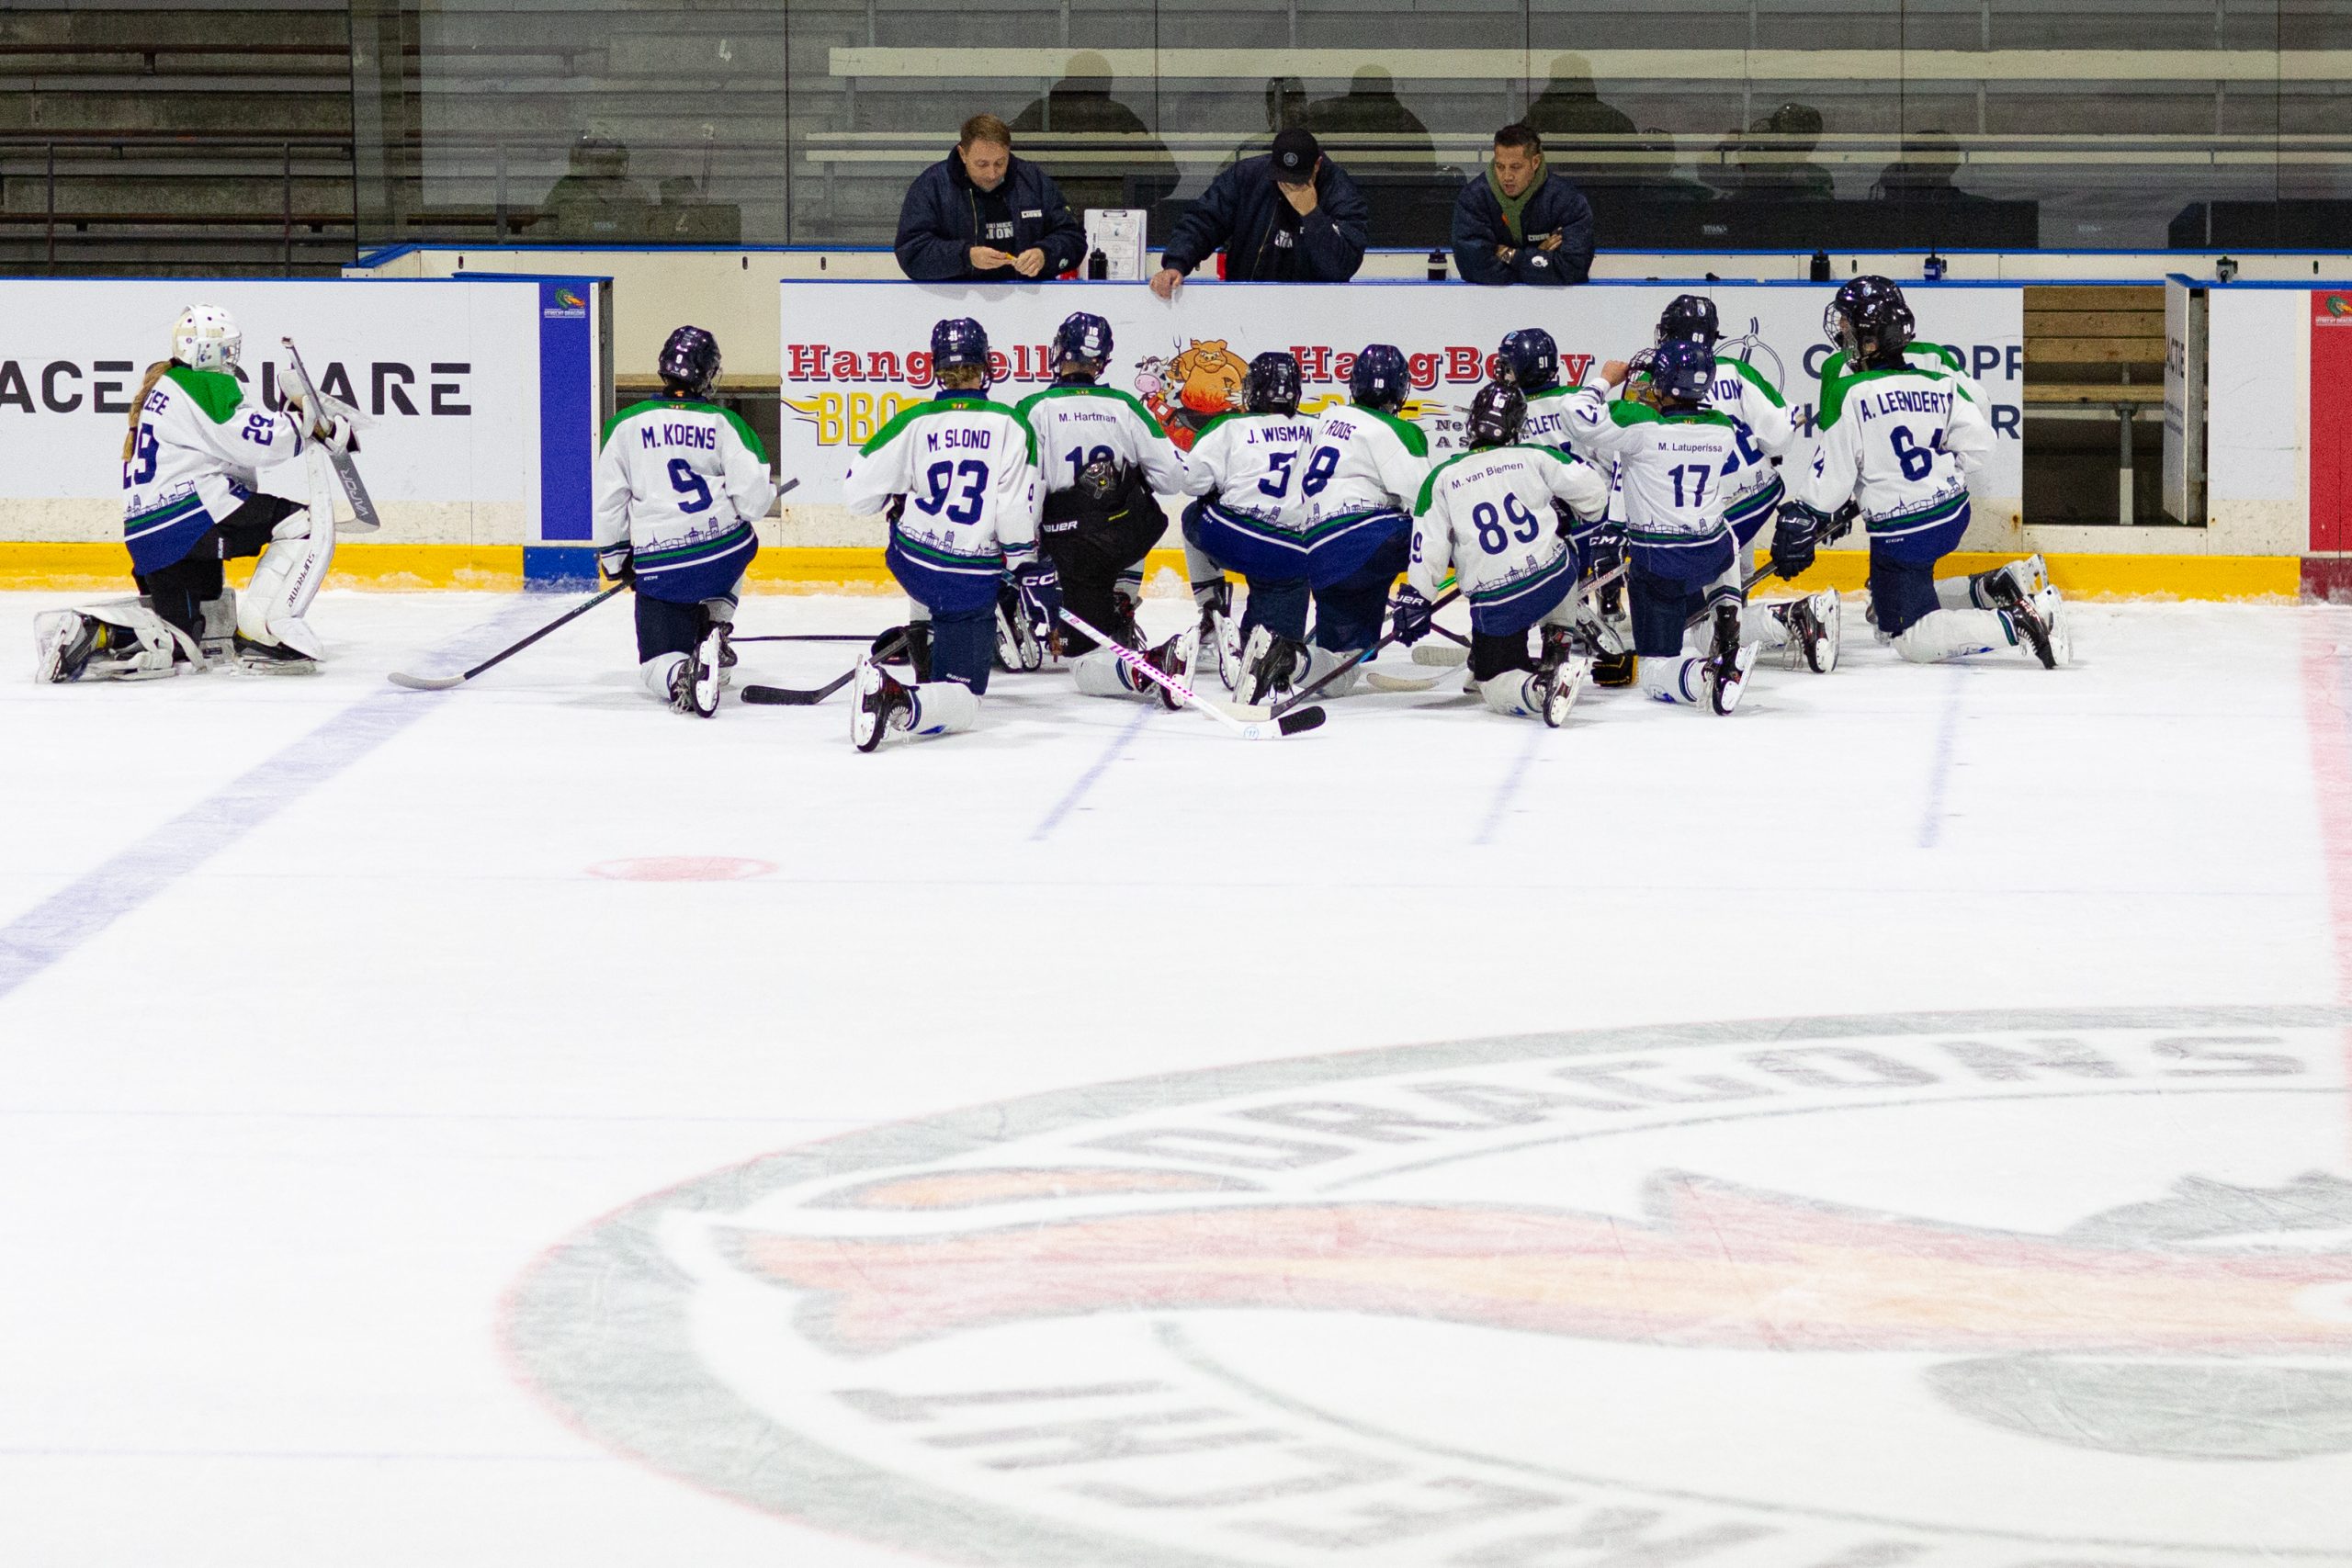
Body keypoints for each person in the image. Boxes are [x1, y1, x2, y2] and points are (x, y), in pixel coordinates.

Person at [37, 304, 355, 683]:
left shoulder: (165, 386)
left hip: (151, 539)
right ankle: (266, 635)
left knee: (182, 642)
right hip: (194, 520)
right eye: (225, 347)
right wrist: (307, 426)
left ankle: (95, 630)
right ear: (205, 350)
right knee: (304, 525)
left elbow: (227, 442)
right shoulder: (202, 383)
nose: (230, 355)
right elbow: (251, 440)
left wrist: (293, 418)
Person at [1783, 276, 2065, 668]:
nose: (1842, 333)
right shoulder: (1937, 376)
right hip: (1952, 511)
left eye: (1849, 326)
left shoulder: (1848, 387)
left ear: (1870, 339)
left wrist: (1819, 509)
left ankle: (2022, 621)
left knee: (1906, 638)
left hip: (1901, 530)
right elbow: (1981, 436)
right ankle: (1991, 588)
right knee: (1885, 609)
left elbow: (1835, 469)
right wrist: (1941, 469)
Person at [843, 318, 1046, 750]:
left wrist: (897, 495)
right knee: (965, 700)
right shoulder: (1012, 425)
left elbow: (857, 495)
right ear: (985, 366)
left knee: (916, 531)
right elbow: (1013, 513)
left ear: (936, 368)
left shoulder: (912, 421)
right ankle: (898, 699)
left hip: (912, 563)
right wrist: (1023, 568)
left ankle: (924, 634)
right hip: (968, 583)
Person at [1562, 338, 1762, 715]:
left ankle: (1707, 674)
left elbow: (1574, 415)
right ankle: (1727, 616)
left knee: (1654, 669)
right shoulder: (1722, 428)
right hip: (1710, 554)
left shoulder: (1639, 425)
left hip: (1659, 562)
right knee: (1726, 535)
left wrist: (1604, 381)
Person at [1401, 381, 1612, 725]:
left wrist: (1417, 600)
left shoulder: (1443, 477)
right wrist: (1563, 512)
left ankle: (1541, 687)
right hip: (1552, 579)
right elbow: (1595, 497)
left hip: (1496, 602)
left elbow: (1430, 547)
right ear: (1517, 426)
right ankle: (1558, 634)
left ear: (1472, 424)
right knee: (1565, 544)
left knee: (1493, 680)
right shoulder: (1535, 456)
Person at [1650, 294, 1840, 673]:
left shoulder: (1655, 383)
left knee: (1703, 632)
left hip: (1703, 516)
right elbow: (1778, 437)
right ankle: (1763, 611)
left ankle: (1791, 616)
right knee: (1726, 600)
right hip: (1755, 500)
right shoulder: (1738, 373)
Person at [593, 326, 774, 716]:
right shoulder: (725, 423)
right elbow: (755, 502)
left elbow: (609, 504)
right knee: (740, 532)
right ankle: (717, 623)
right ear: (707, 374)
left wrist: (615, 560)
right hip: (721, 556)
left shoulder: (624, 425)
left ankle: (681, 675)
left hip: (663, 568)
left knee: (654, 664)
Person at [1013, 310, 1191, 700]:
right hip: (1121, 538)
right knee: (1138, 501)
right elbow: (1173, 479)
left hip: (1068, 550)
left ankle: (1137, 653)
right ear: (1103, 360)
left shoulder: (1034, 408)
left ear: (1060, 350)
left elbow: (1020, 493)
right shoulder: (1126, 405)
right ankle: (1121, 602)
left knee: (1083, 662)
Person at [1245, 343, 1425, 703]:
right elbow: (1429, 505)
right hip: (1367, 541)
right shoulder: (1399, 431)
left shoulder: (1322, 419)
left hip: (1318, 554)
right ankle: (1494, 648)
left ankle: (1292, 659)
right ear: (1401, 388)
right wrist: (1420, 591)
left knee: (1341, 671)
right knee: (1460, 535)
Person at [1178, 350, 1317, 692]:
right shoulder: (1320, 427)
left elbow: (1192, 482)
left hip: (1233, 537)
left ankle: (1212, 607)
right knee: (1272, 653)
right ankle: (1253, 643)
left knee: (1193, 514)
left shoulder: (1228, 426)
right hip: (1290, 555)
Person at [1151, 129, 1369, 298]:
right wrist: (1176, 264)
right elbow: (1204, 220)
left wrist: (1312, 215)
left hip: (1316, 309)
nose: (1289, 187)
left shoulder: (1341, 191)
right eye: (1282, 178)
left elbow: (1342, 267)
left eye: (1298, 180)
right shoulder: (1247, 176)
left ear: (1317, 165)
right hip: (1246, 300)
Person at [894, 115, 1086, 283]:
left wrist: (1044, 254)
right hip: (955, 302)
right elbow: (911, 252)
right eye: (982, 164)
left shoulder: (1033, 181)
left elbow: (1073, 238)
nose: (992, 173)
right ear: (963, 154)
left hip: (1026, 303)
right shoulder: (932, 186)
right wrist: (966, 257)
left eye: (1000, 162)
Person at [1010, 52, 1179, 214]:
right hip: (1105, 218)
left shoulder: (1042, 111)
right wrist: (1129, 202)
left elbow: (1166, 174)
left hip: (1059, 216)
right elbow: (1166, 175)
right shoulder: (1117, 114)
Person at [1451, 124, 1595, 288]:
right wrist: (1539, 257)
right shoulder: (1474, 198)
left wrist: (1512, 256)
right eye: (1500, 166)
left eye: (1515, 167)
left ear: (1535, 162)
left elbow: (1573, 268)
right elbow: (1474, 267)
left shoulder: (1567, 201)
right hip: (1488, 306)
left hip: (1557, 306)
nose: (1507, 176)